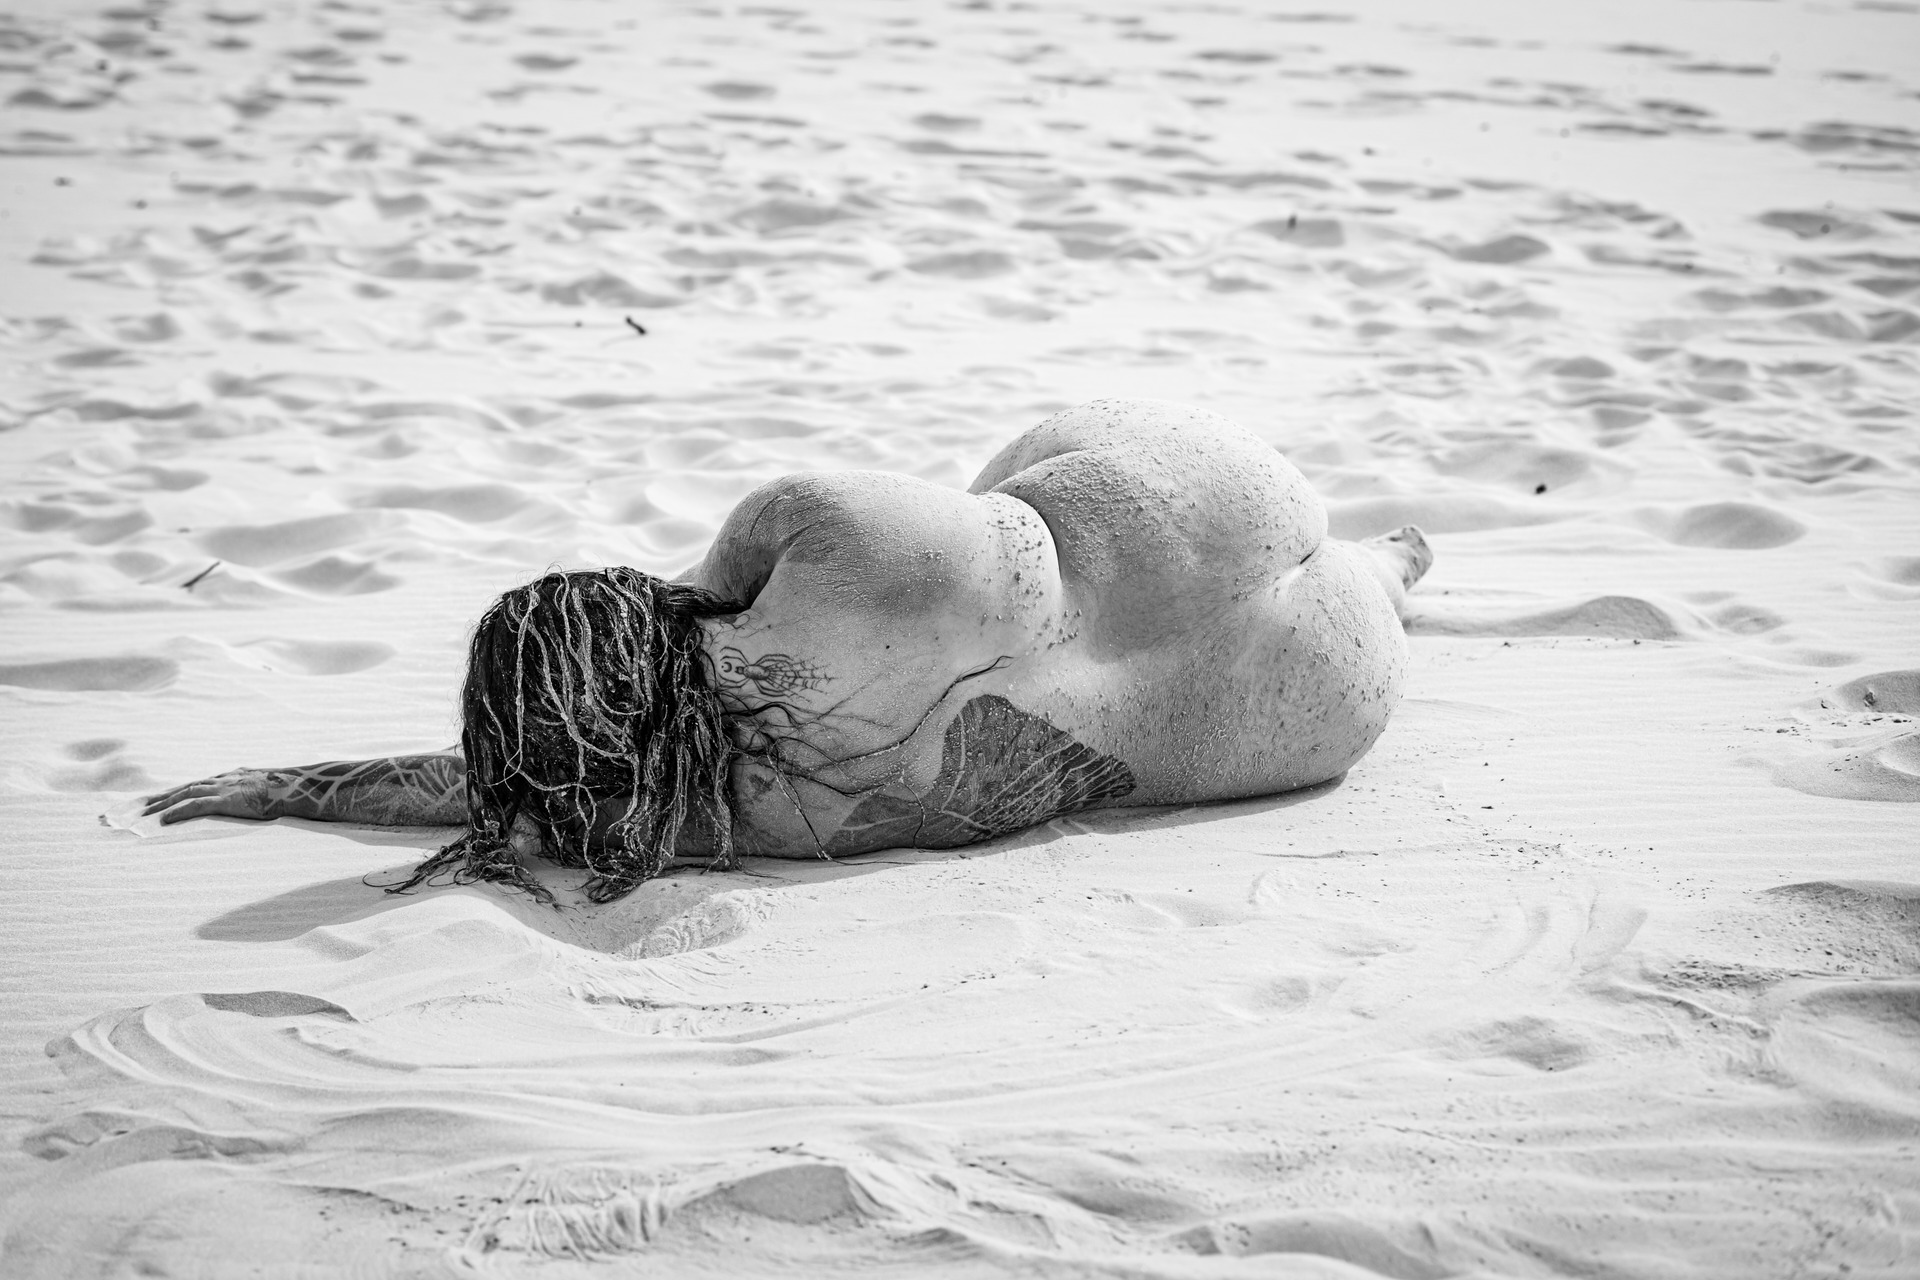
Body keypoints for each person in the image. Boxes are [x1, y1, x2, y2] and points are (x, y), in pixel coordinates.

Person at [142, 399, 1432, 902]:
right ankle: (1393, 560)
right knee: (1019, 497)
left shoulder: (736, 812)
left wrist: (291, 787)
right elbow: (694, 603)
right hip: (1197, 497)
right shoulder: (814, 534)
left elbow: (494, 794)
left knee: (1331, 588)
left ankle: (1387, 575)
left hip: (1321, 697)